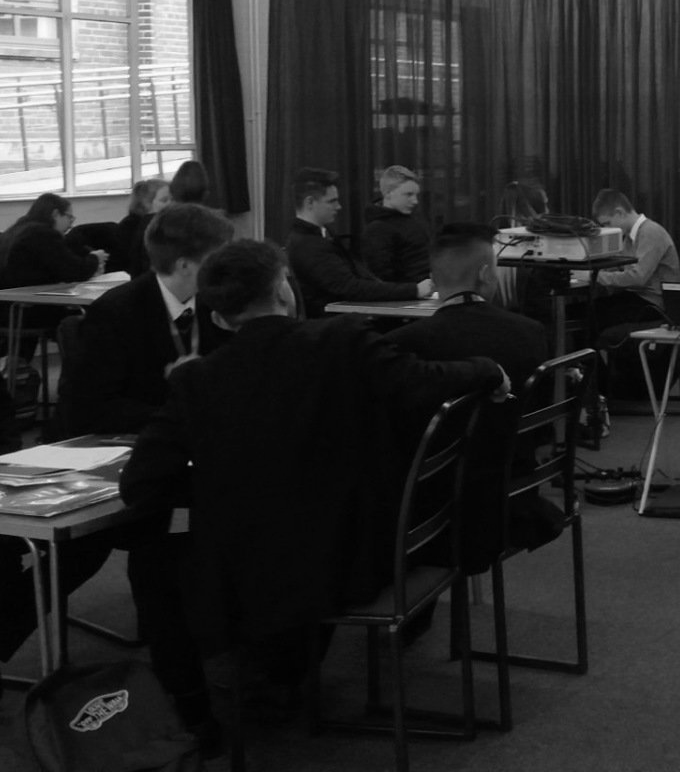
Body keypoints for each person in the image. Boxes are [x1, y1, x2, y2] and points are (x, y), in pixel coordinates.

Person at [119, 239, 509, 740]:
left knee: (155, 558)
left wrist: (216, 478)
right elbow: (427, 380)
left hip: (253, 570)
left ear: (217, 318)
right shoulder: (344, 341)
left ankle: (194, 709)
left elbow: (140, 483)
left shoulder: (198, 381)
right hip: (357, 554)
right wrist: (488, 369)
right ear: (284, 290)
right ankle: (279, 674)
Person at [384, 223, 561, 577]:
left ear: (434, 280)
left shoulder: (406, 344)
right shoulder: (531, 332)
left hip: (434, 509)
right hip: (515, 497)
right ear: (485, 274)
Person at [57, 202, 235, 437]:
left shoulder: (217, 305)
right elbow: (90, 410)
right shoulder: (115, 312)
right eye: (218, 260)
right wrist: (179, 410)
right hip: (138, 439)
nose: (227, 268)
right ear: (184, 266)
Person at [285, 167, 432, 318]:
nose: (339, 207)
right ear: (310, 202)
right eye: (331, 201)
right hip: (336, 324)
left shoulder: (323, 236)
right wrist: (414, 290)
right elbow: (350, 287)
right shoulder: (307, 246)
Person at [0, 193, 106, 399]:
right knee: (88, 321)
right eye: (69, 217)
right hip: (31, 311)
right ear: (55, 214)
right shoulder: (44, 234)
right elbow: (75, 271)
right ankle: (80, 387)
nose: (71, 224)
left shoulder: (15, 230)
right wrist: (95, 258)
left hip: (9, 311)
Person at [589, 188, 680, 341]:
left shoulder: (650, 232)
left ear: (619, 213)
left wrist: (595, 276)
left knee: (595, 315)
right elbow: (619, 266)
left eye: (607, 224)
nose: (606, 229)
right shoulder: (630, 236)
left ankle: (595, 356)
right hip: (639, 297)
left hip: (653, 303)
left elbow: (638, 277)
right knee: (591, 310)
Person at [362, 164, 430, 284]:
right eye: (408, 194)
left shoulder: (415, 220)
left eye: (416, 195)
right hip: (410, 291)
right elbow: (382, 277)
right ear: (388, 194)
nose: (415, 201)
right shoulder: (377, 230)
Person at [115, 178, 171, 277]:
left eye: (173, 199)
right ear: (147, 204)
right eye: (164, 200)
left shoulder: (168, 223)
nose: (171, 204)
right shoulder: (132, 226)